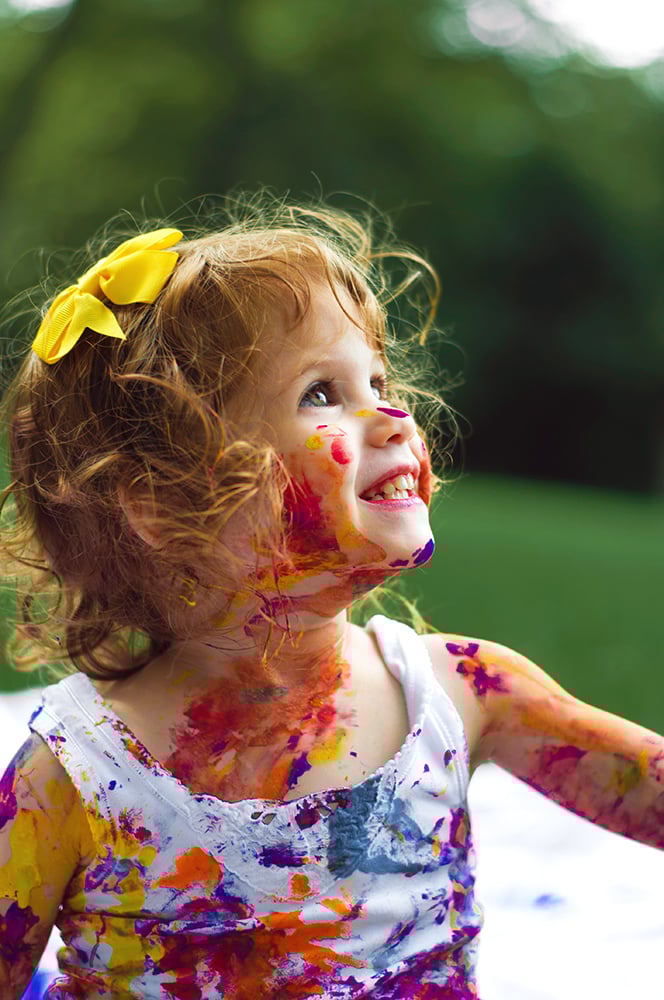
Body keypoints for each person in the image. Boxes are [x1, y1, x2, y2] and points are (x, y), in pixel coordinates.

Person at [0, 197, 661, 1000]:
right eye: (321, 393)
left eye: (377, 380)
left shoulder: (458, 694)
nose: (392, 415)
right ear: (164, 506)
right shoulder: (79, 771)